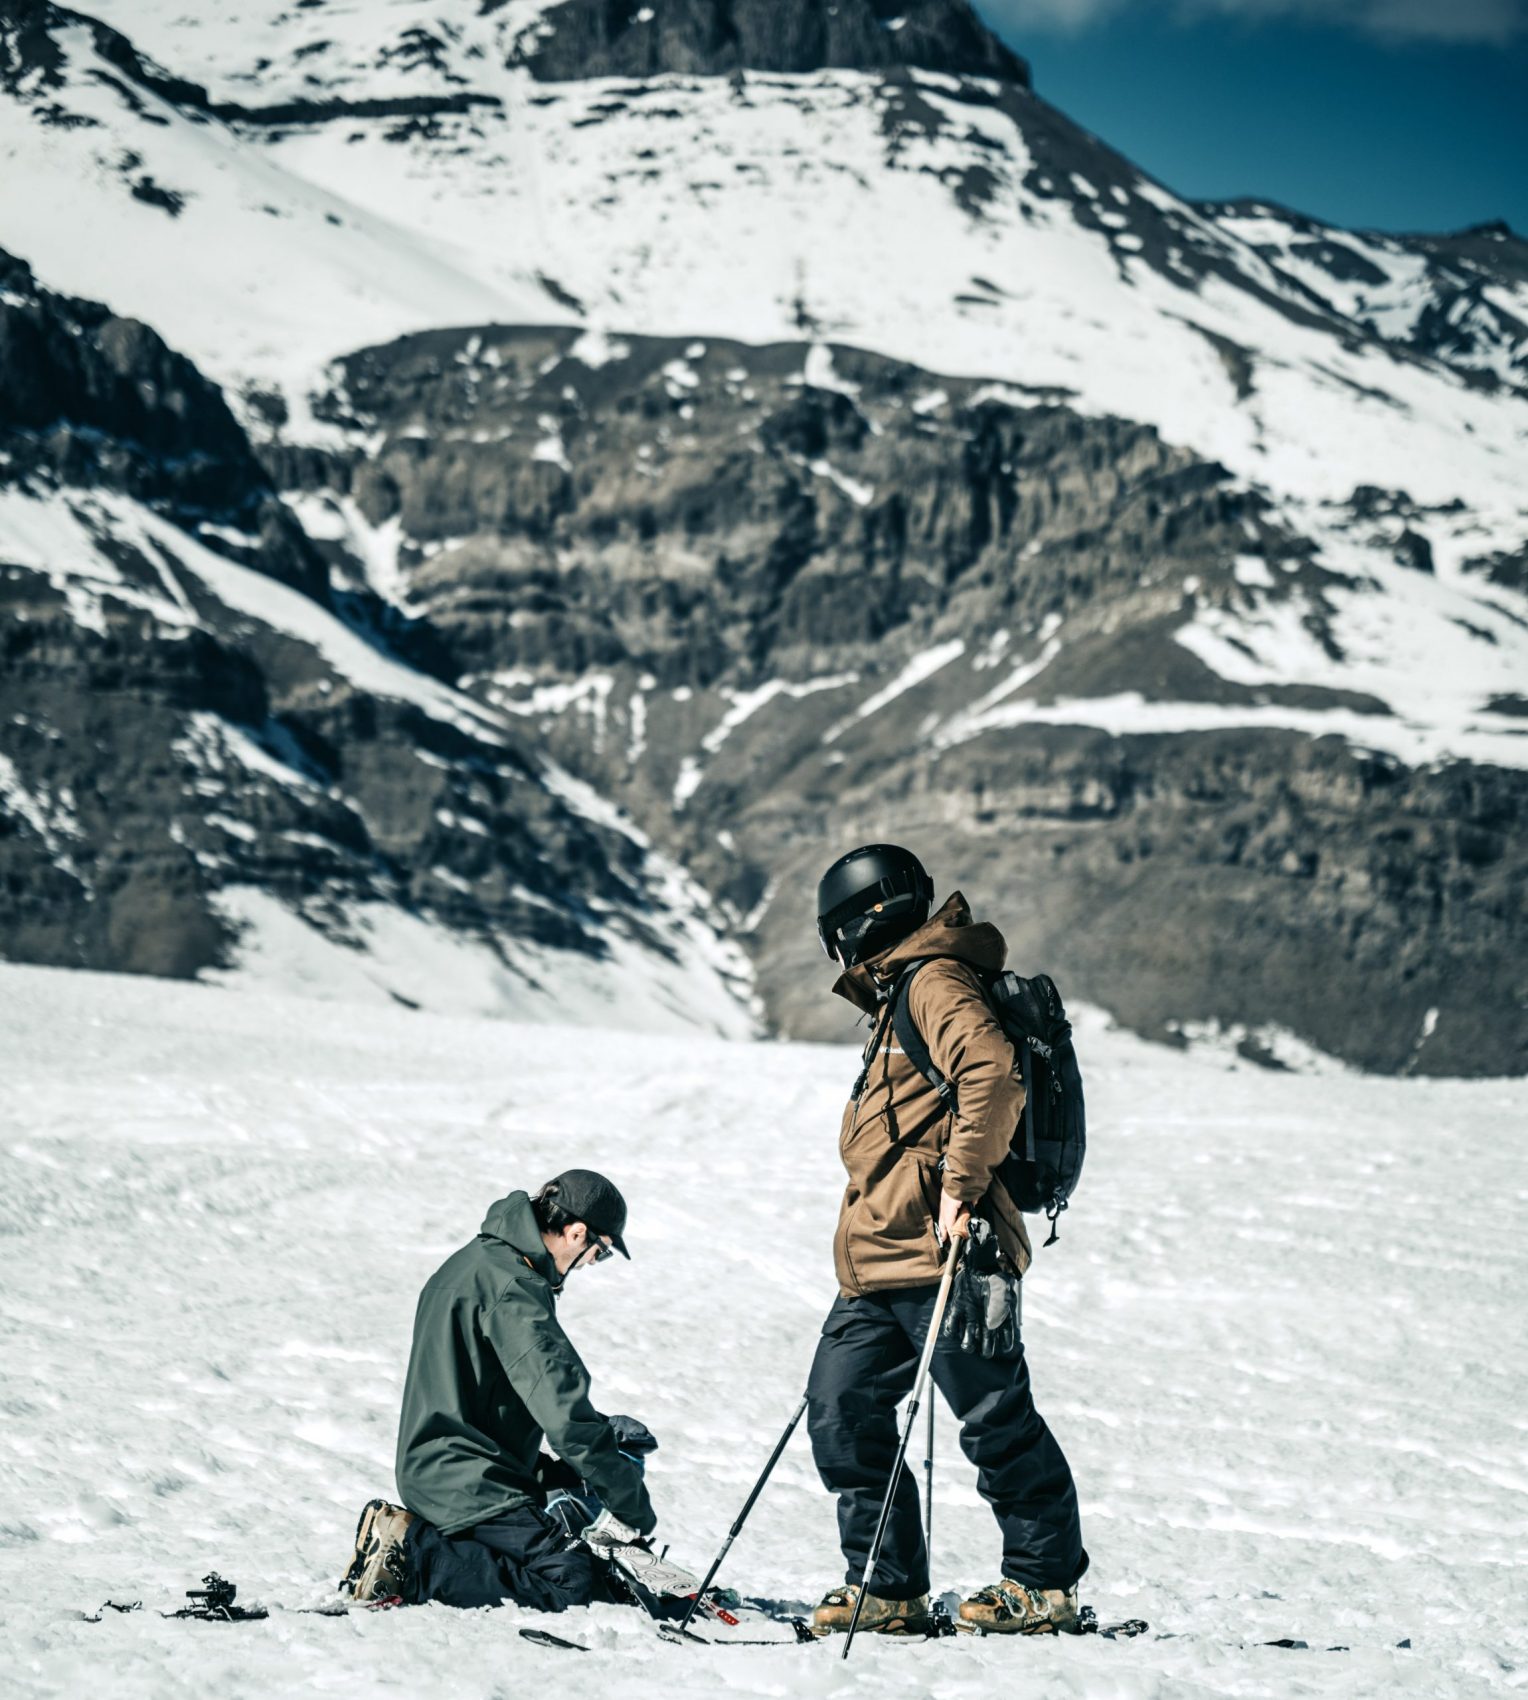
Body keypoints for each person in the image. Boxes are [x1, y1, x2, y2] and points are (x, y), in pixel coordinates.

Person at [806, 844, 1087, 1636]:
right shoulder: (900, 993)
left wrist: (961, 1189)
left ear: (858, 922)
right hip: (877, 1260)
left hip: (949, 1253)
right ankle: (888, 1588)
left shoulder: (932, 981)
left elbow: (993, 1073)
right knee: (841, 1409)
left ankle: (1045, 1586)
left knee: (995, 1418)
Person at [338, 1169, 657, 1610]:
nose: (589, 1265)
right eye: (598, 1254)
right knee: (575, 1581)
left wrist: (584, 1462)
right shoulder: (515, 1288)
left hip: (451, 1462)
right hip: (468, 1479)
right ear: (576, 1232)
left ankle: (414, 1544)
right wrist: (631, 1505)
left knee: (572, 1502)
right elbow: (562, 1410)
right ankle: (413, 1558)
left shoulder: (478, 1262)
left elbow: (489, 1392)